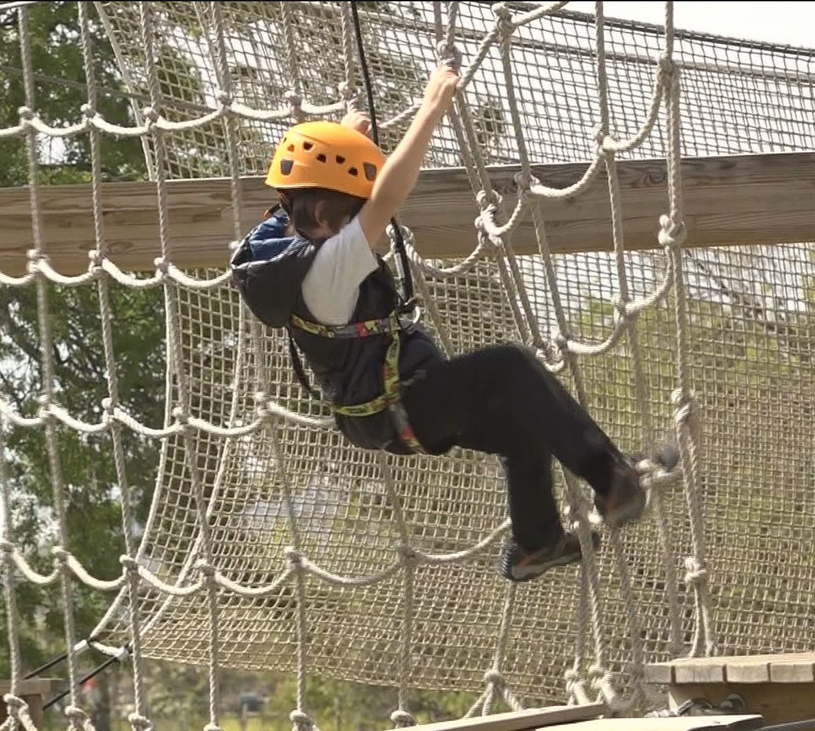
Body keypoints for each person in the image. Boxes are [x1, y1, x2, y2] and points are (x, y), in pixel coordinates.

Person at [229, 61, 678, 583]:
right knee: (508, 367)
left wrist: (344, 143)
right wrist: (432, 108)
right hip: (400, 404)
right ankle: (611, 479)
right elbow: (390, 194)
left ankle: (536, 545)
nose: (366, 223)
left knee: (520, 426)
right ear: (331, 220)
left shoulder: (284, 245)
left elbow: (308, 194)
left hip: (386, 409)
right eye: (355, 213)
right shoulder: (329, 265)